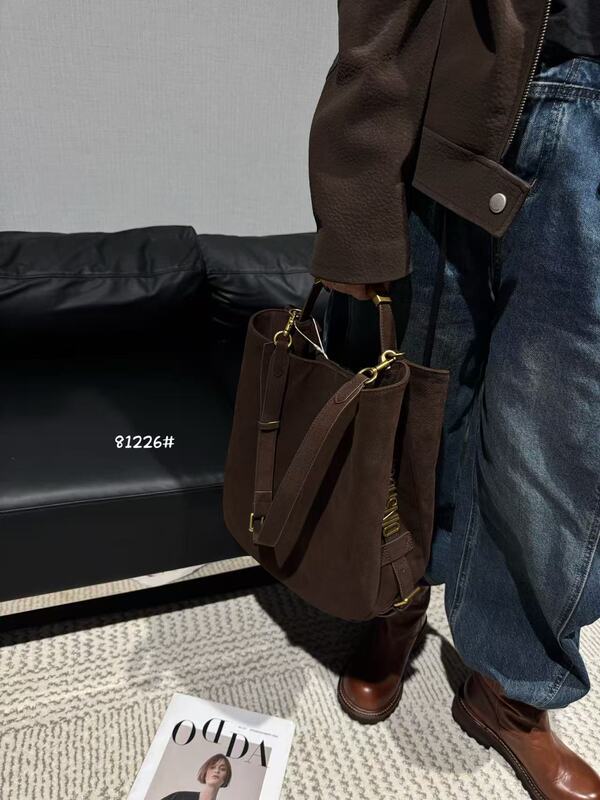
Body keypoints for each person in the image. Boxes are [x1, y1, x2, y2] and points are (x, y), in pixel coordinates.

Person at [308, 2, 600, 798]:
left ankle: (508, 689)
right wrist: (357, 195)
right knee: (416, 405)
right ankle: (397, 602)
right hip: (461, 106)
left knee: (565, 449)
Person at [159, 753, 232, 800]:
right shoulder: (179, 797)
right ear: (205, 773)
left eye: (222, 769)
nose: (217, 771)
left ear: (226, 777)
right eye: (212, 767)